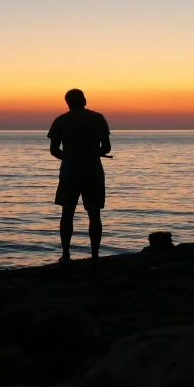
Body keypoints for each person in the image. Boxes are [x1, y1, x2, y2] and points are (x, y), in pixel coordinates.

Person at [47, 89, 110, 262]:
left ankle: (66, 254)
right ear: (84, 100)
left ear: (67, 102)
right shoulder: (98, 118)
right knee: (94, 214)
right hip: (93, 172)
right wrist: (91, 153)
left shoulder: (60, 120)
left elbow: (54, 150)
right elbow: (106, 148)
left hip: (69, 172)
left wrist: (69, 157)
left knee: (67, 213)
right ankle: (95, 255)